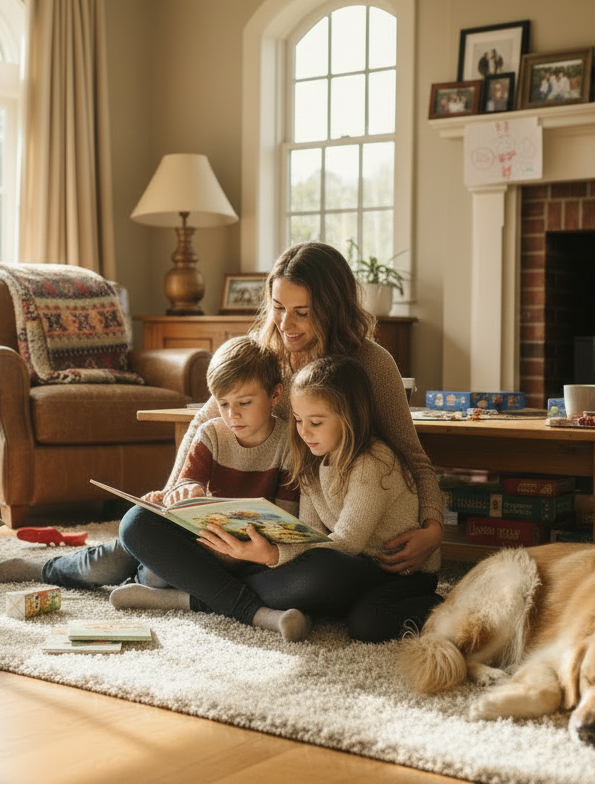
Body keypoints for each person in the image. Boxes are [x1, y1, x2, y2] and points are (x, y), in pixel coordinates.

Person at [0, 337, 309, 642]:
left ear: (275, 395)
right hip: (197, 545)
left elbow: (284, 521)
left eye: (244, 403)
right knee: (110, 560)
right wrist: (182, 494)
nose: (232, 415)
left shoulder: (289, 444)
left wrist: (241, 550)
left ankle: (151, 589)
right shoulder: (211, 434)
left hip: (246, 555)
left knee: (159, 574)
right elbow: (186, 483)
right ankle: (44, 568)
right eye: (223, 404)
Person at [120, 356, 442, 642]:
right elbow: (310, 535)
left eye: (316, 422)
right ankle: (241, 599)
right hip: (350, 572)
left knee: (364, 623)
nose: (304, 432)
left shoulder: (374, 461)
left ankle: (197, 597)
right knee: (138, 523)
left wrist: (273, 555)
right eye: (299, 420)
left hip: (399, 572)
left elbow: (347, 542)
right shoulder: (311, 461)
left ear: (351, 418)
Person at [168, 242, 444, 576]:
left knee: (312, 579)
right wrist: (173, 493)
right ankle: (223, 588)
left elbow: (415, 459)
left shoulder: (373, 364)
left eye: (302, 312)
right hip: (260, 525)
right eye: (278, 307)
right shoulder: (263, 354)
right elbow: (204, 420)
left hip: (318, 542)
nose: (285, 324)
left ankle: (212, 587)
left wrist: (433, 530)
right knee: (137, 524)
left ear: (333, 311)